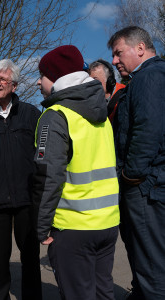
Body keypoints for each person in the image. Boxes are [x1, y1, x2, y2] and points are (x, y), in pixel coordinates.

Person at [33, 45, 120, 300]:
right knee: (103, 291)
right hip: (107, 222)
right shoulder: (101, 113)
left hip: (73, 228)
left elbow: (49, 176)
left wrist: (42, 227)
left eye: (43, 75)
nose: (38, 81)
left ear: (57, 77)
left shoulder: (55, 116)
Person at [108, 26, 165, 300]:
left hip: (146, 187)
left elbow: (147, 130)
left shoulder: (148, 78)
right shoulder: (150, 77)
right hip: (151, 183)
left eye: (118, 53)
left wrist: (131, 176)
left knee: (152, 267)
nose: (114, 61)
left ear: (140, 48)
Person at [0, 59, 42, 300]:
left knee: (30, 255)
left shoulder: (30, 114)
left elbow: (44, 151)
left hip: (27, 197)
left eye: (2, 79)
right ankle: (0, 296)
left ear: (14, 86)